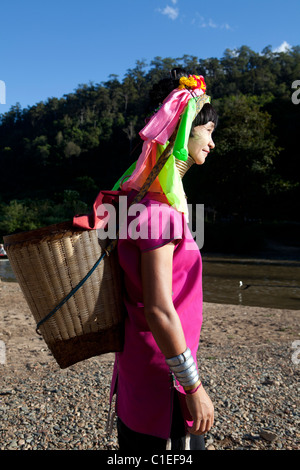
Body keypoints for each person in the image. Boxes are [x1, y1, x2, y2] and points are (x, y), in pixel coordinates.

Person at [106, 68, 218, 451]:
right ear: (185, 129)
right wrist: (194, 386)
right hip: (163, 382)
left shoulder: (135, 207)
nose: (213, 142)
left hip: (140, 372)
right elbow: (158, 310)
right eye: (209, 131)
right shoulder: (160, 214)